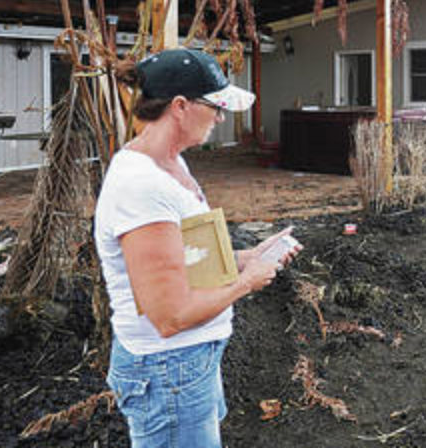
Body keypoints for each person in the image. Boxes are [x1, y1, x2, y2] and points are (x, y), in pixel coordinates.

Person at [96, 48, 300, 447]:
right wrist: (248, 283)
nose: (222, 117)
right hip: (168, 368)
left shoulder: (170, 164)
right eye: (215, 106)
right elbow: (170, 316)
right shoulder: (141, 186)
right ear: (180, 107)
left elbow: (182, 258)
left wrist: (247, 257)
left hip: (187, 363)